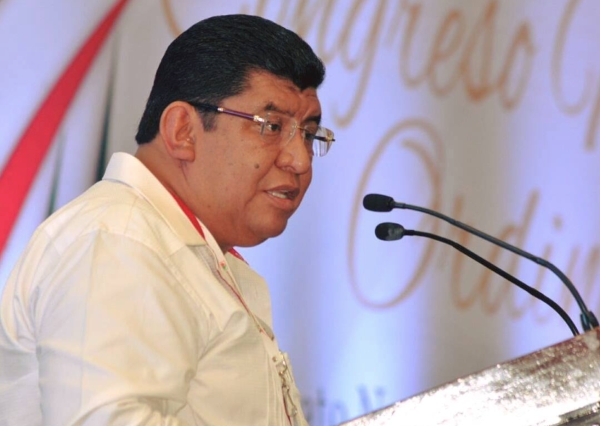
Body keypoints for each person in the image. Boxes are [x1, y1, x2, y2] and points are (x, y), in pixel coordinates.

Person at [0, 14, 334, 425]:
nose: (300, 160)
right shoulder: (118, 241)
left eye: (309, 134)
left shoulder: (178, 246)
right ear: (182, 131)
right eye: (272, 127)